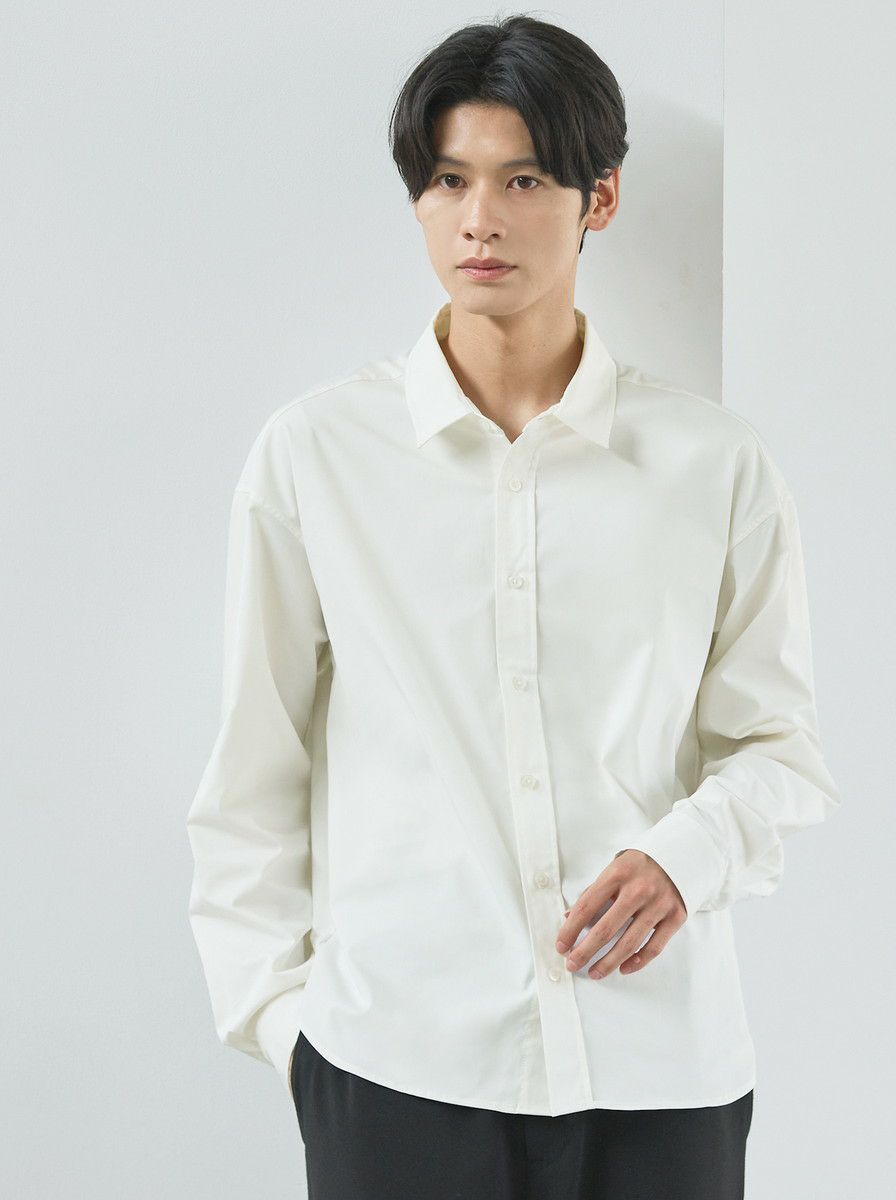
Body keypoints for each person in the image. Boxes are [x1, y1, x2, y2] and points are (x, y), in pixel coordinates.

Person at [186, 14, 841, 1200]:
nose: (478, 219)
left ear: (601, 199)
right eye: (448, 180)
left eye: (523, 180)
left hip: (661, 1073)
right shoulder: (317, 455)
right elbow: (253, 768)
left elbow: (777, 747)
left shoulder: (713, 466)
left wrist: (685, 857)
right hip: (396, 1068)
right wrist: (286, 1028)